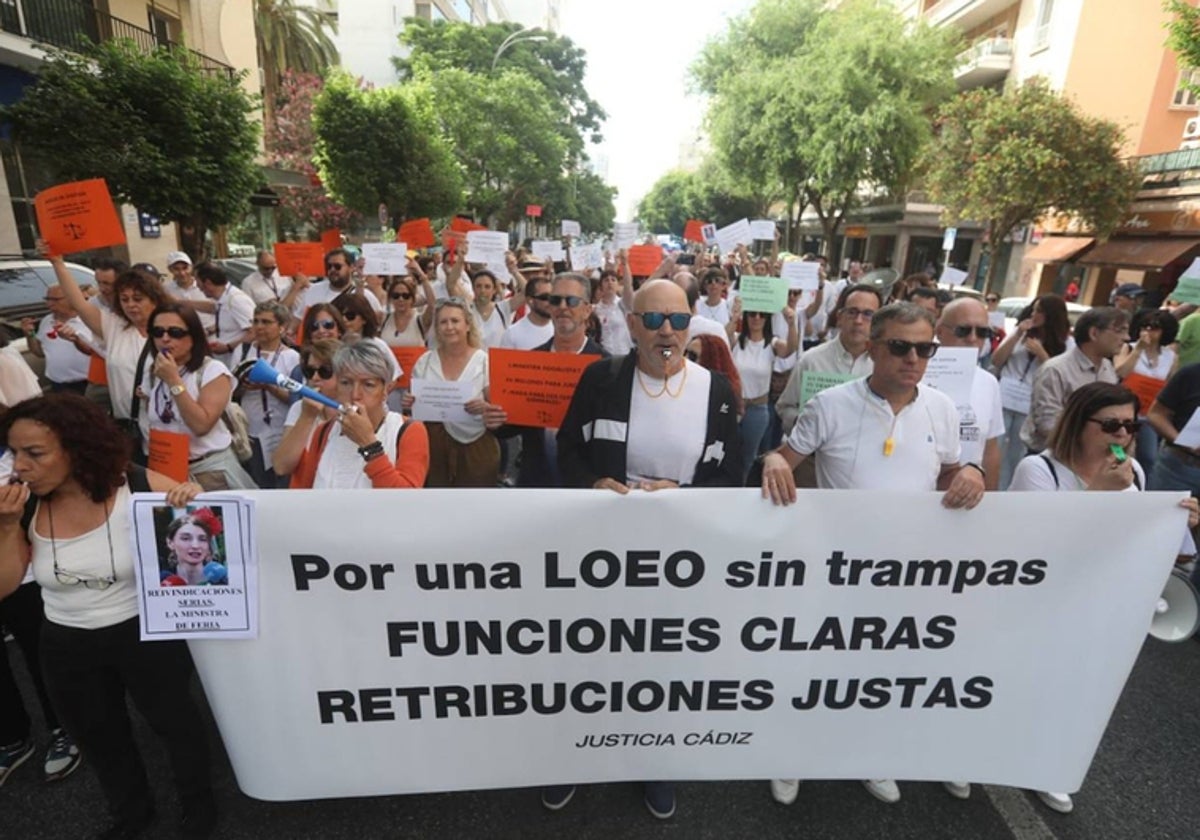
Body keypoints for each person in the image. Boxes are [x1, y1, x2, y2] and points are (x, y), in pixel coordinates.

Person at [761, 302, 985, 809]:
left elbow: (949, 472)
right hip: (832, 571)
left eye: (925, 349)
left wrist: (973, 473)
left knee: (879, 672)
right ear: (874, 347)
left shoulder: (943, 409)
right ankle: (789, 753)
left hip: (907, 575)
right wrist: (773, 458)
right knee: (813, 667)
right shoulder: (831, 405)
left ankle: (867, 752)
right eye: (901, 347)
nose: (914, 359)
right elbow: (786, 458)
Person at [552, 278, 742, 819]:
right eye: (654, 320)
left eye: (678, 322)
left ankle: (655, 761)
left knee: (663, 663)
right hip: (603, 551)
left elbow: (731, 476)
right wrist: (592, 485)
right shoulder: (602, 378)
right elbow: (568, 451)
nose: (667, 331)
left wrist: (682, 497)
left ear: (690, 328)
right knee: (592, 656)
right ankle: (571, 759)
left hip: (681, 557)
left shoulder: (717, 392)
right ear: (631, 324)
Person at [0, 394, 215, 839]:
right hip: (65, 639)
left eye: (34, 453)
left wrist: (191, 495)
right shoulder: (25, 508)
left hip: (144, 631)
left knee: (175, 725)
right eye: (14, 452)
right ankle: (132, 813)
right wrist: (5, 527)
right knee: (100, 737)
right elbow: (5, 585)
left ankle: (199, 808)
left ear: (76, 448)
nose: (19, 466)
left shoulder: (132, 484)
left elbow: (204, 513)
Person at [1011, 382, 1199, 813]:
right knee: (1017, 681)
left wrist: (1182, 524)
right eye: (1110, 425)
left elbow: (1145, 545)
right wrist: (1098, 495)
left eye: (1130, 426)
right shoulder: (1039, 471)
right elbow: (1031, 550)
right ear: (1079, 424)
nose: (1121, 436)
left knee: (1073, 690)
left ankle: (1047, 766)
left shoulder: (1135, 475)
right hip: (1041, 601)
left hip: (1099, 602)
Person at [488, 274, 608, 487]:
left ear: (587, 309)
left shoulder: (606, 366)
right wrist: (496, 419)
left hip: (585, 487)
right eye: (555, 300)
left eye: (571, 301)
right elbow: (512, 425)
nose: (562, 307)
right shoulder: (531, 361)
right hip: (536, 482)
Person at [49, 251, 171, 446]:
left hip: (169, 430)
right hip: (130, 429)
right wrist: (57, 263)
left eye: (138, 299)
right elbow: (79, 304)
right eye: (125, 299)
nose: (131, 305)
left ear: (154, 299)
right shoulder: (114, 327)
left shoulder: (173, 330)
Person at [142, 304, 257, 491]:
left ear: (193, 337)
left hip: (209, 471)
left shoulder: (212, 371)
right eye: (157, 332)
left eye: (175, 333)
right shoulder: (154, 372)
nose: (165, 339)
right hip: (168, 469)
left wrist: (173, 380)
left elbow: (201, 425)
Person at [289, 341, 429, 489]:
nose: (355, 395)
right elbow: (303, 492)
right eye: (346, 383)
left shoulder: (409, 431)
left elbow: (407, 499)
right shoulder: (325, 431)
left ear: (385, 390)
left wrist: (369, 445)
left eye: (368, 384)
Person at [406, 298, 499, 487]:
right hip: (433, 447)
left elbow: (497, 409)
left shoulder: (484, 362)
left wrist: (485, 407)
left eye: (455, 321)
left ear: (467, 325)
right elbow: (414, 409)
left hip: (476, 447)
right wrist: (410, 403)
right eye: (443, 322)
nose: (449, 327)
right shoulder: (425, 362)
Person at [775, 283, 881, 435]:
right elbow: (785, 407)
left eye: (868, 314)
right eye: (852, 312)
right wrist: (803, 422)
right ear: (839, 317)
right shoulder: (811, 360)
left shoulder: (884, 365)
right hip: (813, 455)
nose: (859, 320)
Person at [1021, 307, 1128, 456]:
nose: (1126, 338)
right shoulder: (1056, 370)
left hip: (1091, 459)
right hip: (1052, 457)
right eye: (1119, 330)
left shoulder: (1107, 368)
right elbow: (1047, 423)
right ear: (1094, 333)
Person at [992, 294, 1072, 488]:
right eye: (1034, 309)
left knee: (1016, 452)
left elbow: (1059, 375)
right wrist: (1017, 334)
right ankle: (993, 487)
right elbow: (997, 360)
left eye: (1040, 311)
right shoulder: (1021, 333)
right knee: (997, 447)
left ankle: (1010, 488)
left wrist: (1042, 354)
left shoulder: (1067, 344)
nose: (1035, 314)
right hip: (1005, 396)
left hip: (1030, 402)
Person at [934, 298, 1004, 491]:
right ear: (940, 332)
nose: (973, 339)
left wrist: (989, 500)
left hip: (966, 500)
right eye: (963, 330)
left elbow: (989, 449)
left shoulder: (989, 382)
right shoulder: (915, 374)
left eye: (982, 332)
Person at [727, 303, 798, 483]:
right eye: (752, 314)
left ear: (767, 319)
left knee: (749, 457)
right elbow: (723, 339)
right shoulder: (736, 339)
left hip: (757, 409)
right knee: (727, 453)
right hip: (733, 407)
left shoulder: (772, 343)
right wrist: (734, 319)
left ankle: (740, 490)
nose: (756, 318)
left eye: (761, 314)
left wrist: (791, 324)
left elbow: (790, 348)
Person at [233, 302, 301, 488]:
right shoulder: (244, 351)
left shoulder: (292, 357)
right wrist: (243, 385)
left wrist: (269, 386)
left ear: (281, 327)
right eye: (255, 321)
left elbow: (295, 400)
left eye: (266, 322)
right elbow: (230, 391)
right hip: (250, 432)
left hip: (279, 430)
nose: (259, 327)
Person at [1116, 308, 1179, 476]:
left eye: (1154, 328)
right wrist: (1138, 350)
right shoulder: (1128, 348)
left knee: (1149, 457)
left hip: (1148, 414)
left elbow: (1170, 386)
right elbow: (1120, 372)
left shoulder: (1170, 356)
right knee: (1119, 454)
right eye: (1145, 327)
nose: (1148, 331)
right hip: (1125, 412)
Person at [273, 339, 344, 481]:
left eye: (325, 371)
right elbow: (281, 467)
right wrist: (307, 417)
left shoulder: (355, 410)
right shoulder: (300, 408)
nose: (315, 378)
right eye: (309, 371)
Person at [21, 285, 95, 394]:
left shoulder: (89, 320)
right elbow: (39, 353)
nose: (49, 304)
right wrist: (30, 334)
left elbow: (97, 352)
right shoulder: (46, 321)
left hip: (87, 384)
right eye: (47, 299)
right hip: (58, 385)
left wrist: (76, 340)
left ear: (72, 298)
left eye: (55, 299)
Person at [195, 262, 255, 368]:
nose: (197, 286)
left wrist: (228, 347)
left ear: (208, 283)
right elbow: (213, 309)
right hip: (226, 361)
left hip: (238, 362)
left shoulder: (237, 300)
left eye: (198, 282)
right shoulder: (223, 298)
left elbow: (254, 332)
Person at [160, 512, 226, 587]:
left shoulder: (223, 580)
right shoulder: (162, 580)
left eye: (202, 539)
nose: (195, 546)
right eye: (186, 538)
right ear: (170, 543)